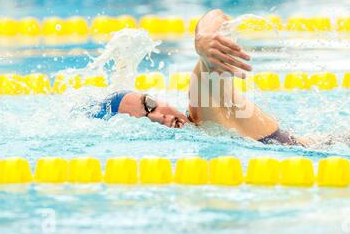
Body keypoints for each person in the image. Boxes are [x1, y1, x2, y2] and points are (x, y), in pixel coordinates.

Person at [91, 9, 307, 146]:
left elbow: (217, 18)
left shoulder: (204, 111)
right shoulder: (201, 136)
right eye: (144, 120)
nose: (158, 117)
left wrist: (203, 38)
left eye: (149, 105)